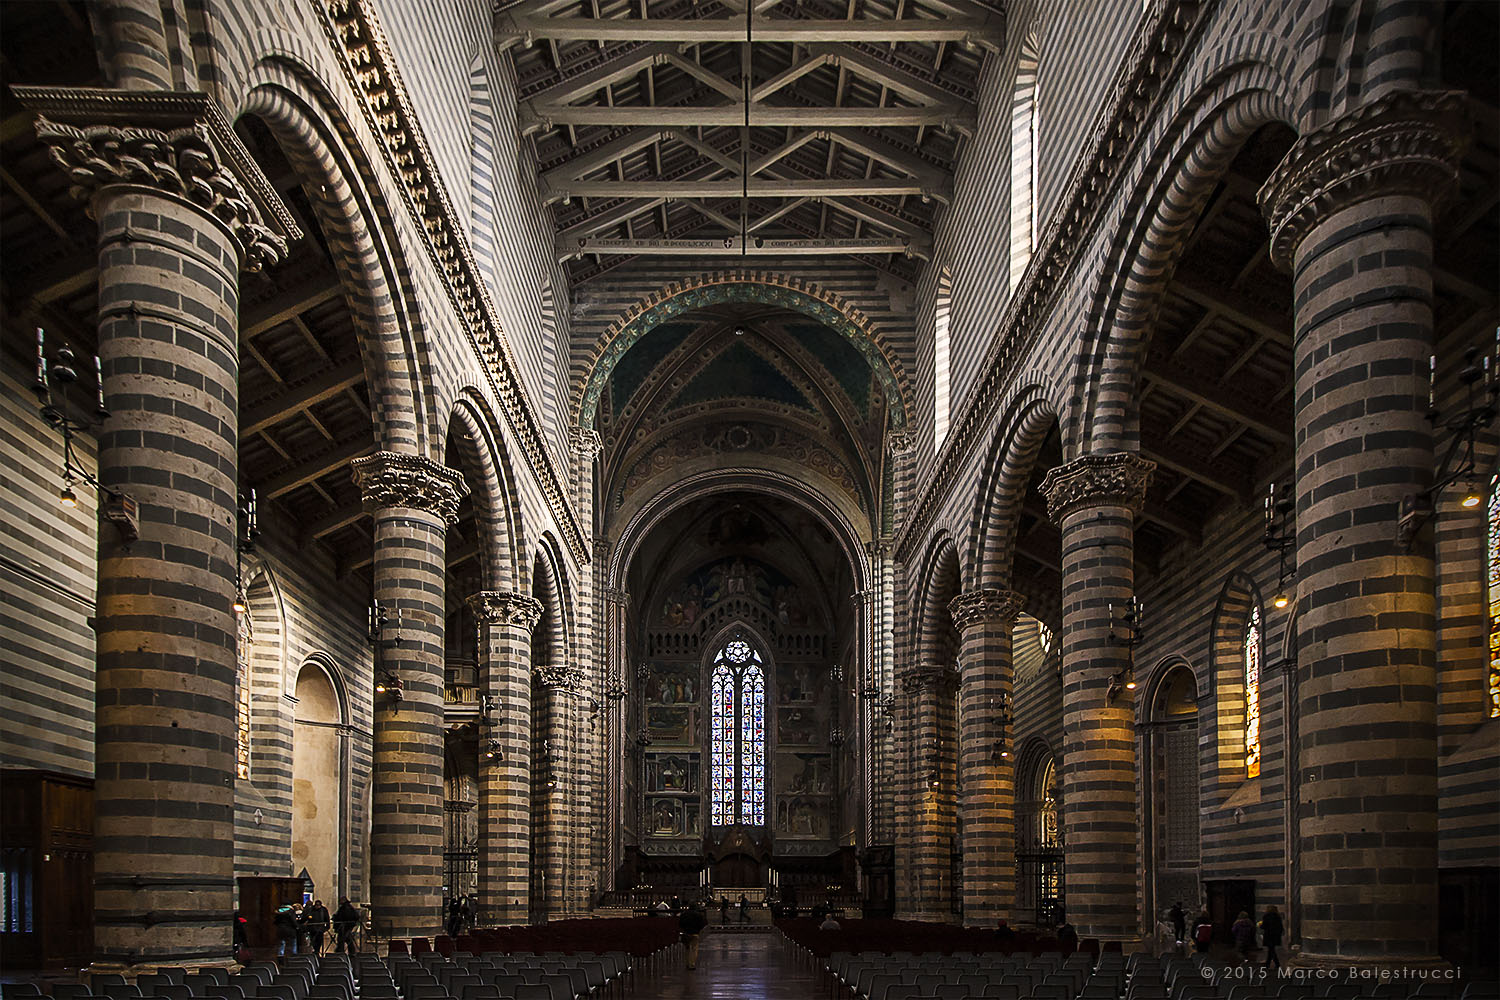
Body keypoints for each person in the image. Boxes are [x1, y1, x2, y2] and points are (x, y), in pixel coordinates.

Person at [678, 902, 708, 970]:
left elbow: (680, 923)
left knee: (687, 949)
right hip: (695, 933)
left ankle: (687, 963)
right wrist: (698, 929)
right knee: (694, 949)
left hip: (686, 933)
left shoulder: (684, 914)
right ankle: (692, 964)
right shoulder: (698, 915)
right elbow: (703, 924)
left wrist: (684, 929)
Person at [1260, 905, 1284, 970]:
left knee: (1271, 950)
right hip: (1275, 936)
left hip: (1269, 936)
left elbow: (1264, 926)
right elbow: (1281, 928)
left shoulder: (1266, 916)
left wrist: (1260, 925)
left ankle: (1276, 964)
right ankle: (1267, 964)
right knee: (1271, 950)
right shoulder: (1278, 917)